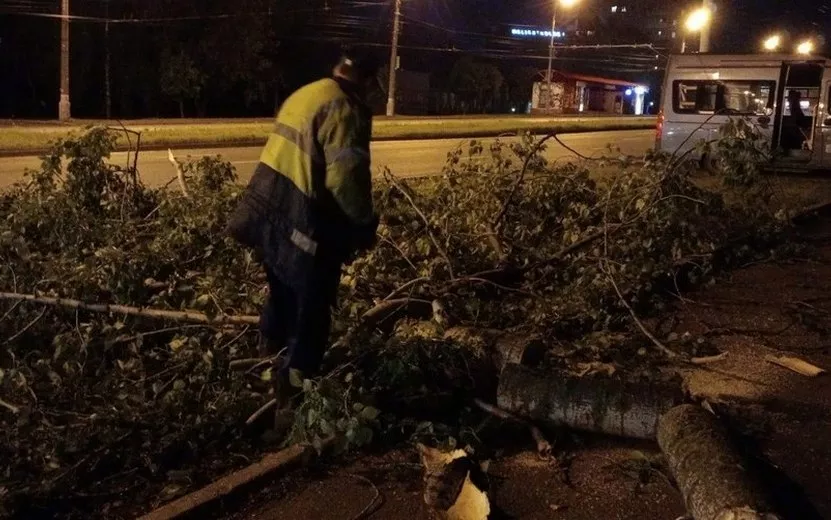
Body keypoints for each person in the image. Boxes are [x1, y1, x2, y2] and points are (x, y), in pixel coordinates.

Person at [227, 48, 381, 430]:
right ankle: (293, 400)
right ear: (368, 78)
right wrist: (364, 224)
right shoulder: (345, 108)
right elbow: (345, 179)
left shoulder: (307, 93)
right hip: (303, 217)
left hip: (266, 208)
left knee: (281, 291)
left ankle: (267, 362)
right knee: (311, 312)